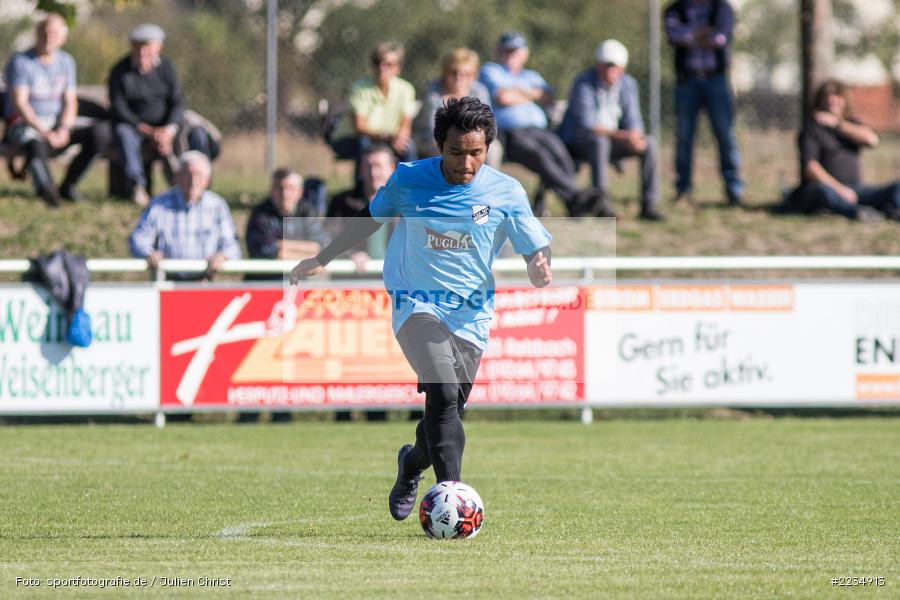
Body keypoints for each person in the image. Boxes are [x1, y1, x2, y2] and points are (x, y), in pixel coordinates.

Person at [289, 97, 552, 520]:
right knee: (444, 394)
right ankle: (453, 502)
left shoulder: (506, 192)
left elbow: (535, 247)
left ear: (487, 149)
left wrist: (539, 264)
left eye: (476, 153)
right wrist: (322, 258)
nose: (466, 163)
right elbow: (370, 218)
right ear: (438, 145)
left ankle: (411, 464)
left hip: (472, 314)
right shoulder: (409, 179)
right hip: (417, 303)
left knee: (447, 411)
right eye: (456, 152)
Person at [480, 31, 607, 217]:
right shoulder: (491, 70)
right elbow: (503, 97)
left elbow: (548, 97)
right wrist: (532, 94)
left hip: (541, 131)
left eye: (515, 51)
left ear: (525, 54)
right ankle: (576, 197)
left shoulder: (531, 75)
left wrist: (520, 93)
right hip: (511, 133)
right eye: (507, 50)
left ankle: (573, 203)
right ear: (499, 52)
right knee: (541, 157)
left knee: (562, 154)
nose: (511, 55)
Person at [3, 14, 103, 206]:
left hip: (57, 123)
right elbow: (20, 104)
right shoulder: (21, 62)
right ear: (37, 34)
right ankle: (48, 192)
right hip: (26, 124)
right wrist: (45, 131)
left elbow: (70, 101)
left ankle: (68, 186)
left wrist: (64, 128)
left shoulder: (66, 62)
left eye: (55, 34)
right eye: (45, 33)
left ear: (63, 38)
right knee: (34, 142)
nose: (49, 38)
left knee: (101, 133)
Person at [558, 40, 663, 221]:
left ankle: (649, 205)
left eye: (614, 67)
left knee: (650, 143)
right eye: (605, 65)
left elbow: (633, 118)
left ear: (622, 69)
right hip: (580, 141)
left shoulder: (629, 84)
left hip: (614, 140)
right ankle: (602, 205)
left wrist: (635, 136)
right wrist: (624, 136)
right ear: (598, 65)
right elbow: (587, 124)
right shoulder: (583, 82)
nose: (609, 71)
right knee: (600, 142)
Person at [664, 0, 744, 206]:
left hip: (716, 81)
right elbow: (675, 36)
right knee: (684, 138)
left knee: (726, 135)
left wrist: (692, 35)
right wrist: (704, 34)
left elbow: (721, 38)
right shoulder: (676, 9)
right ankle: (683, 189)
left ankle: (733, 189)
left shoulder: (722, 8)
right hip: (687, 81)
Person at [787, 80, 899, 221]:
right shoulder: (811, 127)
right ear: (819, 100)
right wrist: (840, 190)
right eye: (827, 96)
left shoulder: (849, 125)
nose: (832, 100)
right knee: (823, 192)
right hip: (824, 188)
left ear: (844, 100)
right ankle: (858, 213)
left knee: (897, 187)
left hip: (854, 189)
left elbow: (872, 140)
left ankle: (893, 211)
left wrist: (837, 124)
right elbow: (811, 168)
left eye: (837, 96)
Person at [129, 151, 241, 280]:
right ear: (178, 177)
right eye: (188, 175)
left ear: (208, 180)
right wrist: (149, 253)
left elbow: (232, 245)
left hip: (203, 282)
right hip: (168, 283)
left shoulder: (217, 206)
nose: (194, 181)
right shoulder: (159, 205)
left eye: (199, 175)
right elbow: (139, 238)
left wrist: (223, 255)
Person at [108, 23, 185, 206]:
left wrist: (167, 130)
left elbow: (178, 101)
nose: (143, 52)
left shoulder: (167, 67)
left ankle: (181, 184)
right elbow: (118, 107)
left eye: (148, 47)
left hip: (165, 125)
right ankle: (137, 186)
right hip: (135, 126)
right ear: (132, 47)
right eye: (138, 46)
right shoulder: (120, 71)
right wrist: (145, 129)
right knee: (123, 133)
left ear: (159, 47)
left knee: (190, 132)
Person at [329, 42, 417, 176]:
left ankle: (409, 189)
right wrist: (386, 137)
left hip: (387, 139)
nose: (382, 68)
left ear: (398, 68)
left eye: (388, 64)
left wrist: (400, 137)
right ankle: (362, 190)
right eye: (378, 62)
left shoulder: (406, 89)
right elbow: (360, 128)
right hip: (350, 139)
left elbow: (405, 126)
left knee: (408, 146)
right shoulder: (359, 88)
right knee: (364, 144)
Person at [415, 47, 501, 167]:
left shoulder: (479, 91)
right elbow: (431, 130)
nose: (459, 78)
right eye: (454, 72)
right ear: (445, 72)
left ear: (474, 75)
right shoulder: (434, 93)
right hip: (433, 141)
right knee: (449, 150)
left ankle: (487, 184)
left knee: (494, 148)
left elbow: (490, 125)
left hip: (471, 140)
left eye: (466, 74)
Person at [246, 167, 332, 280]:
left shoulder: (307, 211)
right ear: (272, 190)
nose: (285, 194)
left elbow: (322, 245)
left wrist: (281, 245)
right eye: (280, 188)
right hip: (268, 283)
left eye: (290, 188)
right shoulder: (261, 214)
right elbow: (268, 250)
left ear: (300, 192)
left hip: (301, 284)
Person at [327, 143, 397, 273]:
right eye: (368, 166)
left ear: (392, 168)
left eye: (378, 166)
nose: (373, 173)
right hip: (354, 281)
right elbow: (327, 238)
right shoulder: (341, 203)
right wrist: (350, 255)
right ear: (361, 169)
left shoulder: (407, 205)